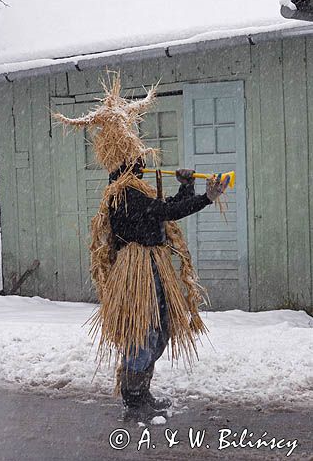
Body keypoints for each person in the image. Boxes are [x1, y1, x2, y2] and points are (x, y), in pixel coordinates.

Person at [54, 73, 228, 421]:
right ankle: (134, 402)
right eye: (137, 159)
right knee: (142, 331)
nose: (143, 164)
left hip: (152, 268)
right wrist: (205, 197)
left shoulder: (133, 190)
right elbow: (164, 212)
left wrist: (184, 187)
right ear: (127, 162)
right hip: (137, 272)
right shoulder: (124, 193)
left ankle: (141, 393)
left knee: (160, 329)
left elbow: (161, 216)